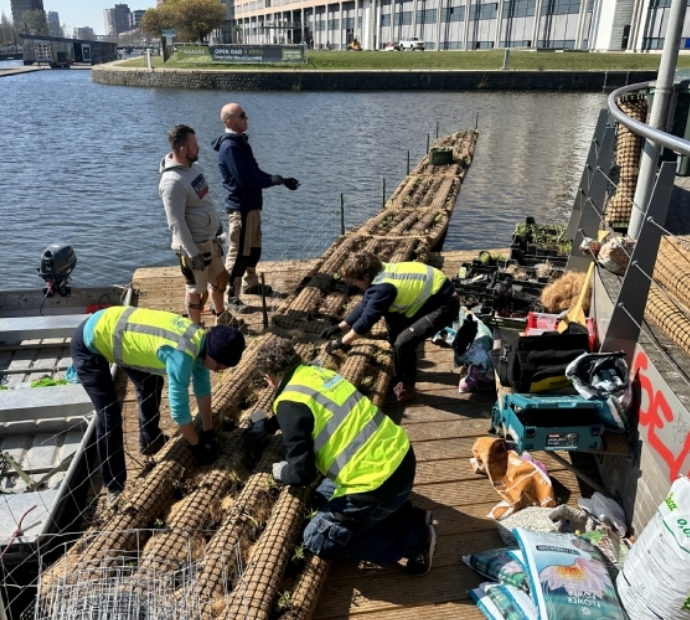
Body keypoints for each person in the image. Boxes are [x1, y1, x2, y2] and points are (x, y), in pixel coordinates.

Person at [248, 336, 436, 575]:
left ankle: (416, 540)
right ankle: (410, 515)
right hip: (400, 457)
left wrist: (279, 470)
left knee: (317, 539)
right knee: (322, 496)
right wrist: (268, 425)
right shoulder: (318, 374)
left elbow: (302, 473)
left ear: (269, 378)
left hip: (377, 483)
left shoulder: (288, 404)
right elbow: (303, 413)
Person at [70, 306, 245, 507]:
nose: (217, 371)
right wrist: (196, 445)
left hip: (119, 333)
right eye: (219, 367)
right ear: (213, 355)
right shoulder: (181, 356)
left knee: (151, 383)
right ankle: (114, 485)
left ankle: (149, 440)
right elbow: (179, 410)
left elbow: (203, 389)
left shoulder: (201, 343)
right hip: (90, 342)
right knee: (109, 415)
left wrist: (208, 431)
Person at [321, 251, 459, 405]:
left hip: (444, 304)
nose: (354, 284)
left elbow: (366, 322)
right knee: (393, 327)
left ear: (366, 276)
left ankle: (406, 389)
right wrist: (340, 326)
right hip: (429, 297)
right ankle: (402, 369)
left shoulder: (384, 287)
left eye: (354, 280)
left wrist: (341, 341)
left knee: (404, 343)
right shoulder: (379, 275)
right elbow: (364, 305)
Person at [211, 103, 300, 314]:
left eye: (245, 115)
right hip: (240, 208)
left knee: (253, 251)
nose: (246, 118)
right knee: (239, 254)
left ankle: (251, 284)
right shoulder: (230, 147)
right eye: (242, 116)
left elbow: (255, 172)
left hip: (251, 207)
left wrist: (280, 179)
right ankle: (231, 295)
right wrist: (272, 181)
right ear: (229, 121)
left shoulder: (241, 143)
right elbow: (245, 180)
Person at [159, 124, 230, 325]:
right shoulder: (172, 182)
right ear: (183, 149)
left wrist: (217, 226)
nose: (198, 147)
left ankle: (221, 317)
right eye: (194, 144)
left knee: (220, 279)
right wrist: (193, 254)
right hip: (194, 247)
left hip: (210, 241)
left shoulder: (195, 168)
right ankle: (196, 329)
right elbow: (176, 223)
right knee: (195, 290)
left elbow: (204, 201)